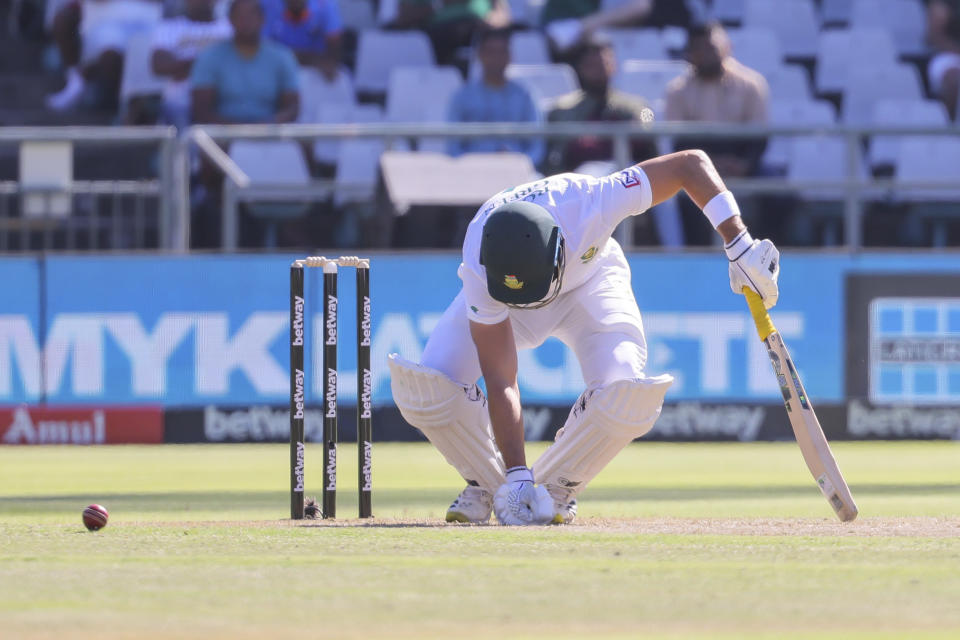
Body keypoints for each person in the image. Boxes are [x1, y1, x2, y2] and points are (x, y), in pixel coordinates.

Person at [388, 149, 780, 525]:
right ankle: (493, 486)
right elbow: (501, 378)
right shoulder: (480, 262)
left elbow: (689, 164)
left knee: (627, 395)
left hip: (591, 288)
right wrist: (517, 474)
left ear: (560, 249)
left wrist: (739, 243)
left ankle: (555, 489)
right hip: (508, 310)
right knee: (426, 390)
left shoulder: (592, 201)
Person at [665, 21, 768, 245]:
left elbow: (760, 137)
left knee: (779, 195)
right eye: (699, 49)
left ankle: (765, 254)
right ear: (690, 53)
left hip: (743, 162)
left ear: (726, 47)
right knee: (677, 199)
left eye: (711, 47)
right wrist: (710, 166)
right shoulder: (677, 90)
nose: (706, 54)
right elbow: (678, 141)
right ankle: (694, 259)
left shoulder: (751, 84)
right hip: (696, 166)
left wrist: (744, 165)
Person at [545, 35, 657, 175]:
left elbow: (648, 125)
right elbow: (556, 156)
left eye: (605, 63)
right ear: (581, 68)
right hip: (580, 178)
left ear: (614, 65)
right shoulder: (562, 109)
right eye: (593, 65)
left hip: (629, 174)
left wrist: (639, 122)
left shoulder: (637, 106)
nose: (600, 70)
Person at [190, 0, 300, 124]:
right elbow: (201, 110)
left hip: (270, 134)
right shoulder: (209, 57)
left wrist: (267, 126)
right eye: (240, 16)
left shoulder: (282, 56)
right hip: (222, 137)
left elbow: (292, 107)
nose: (246, 21)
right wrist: (236, 129)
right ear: (230, 20)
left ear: (262, 19)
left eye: (251, 15)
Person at [446, 28, 545, 166]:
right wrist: (468, 166)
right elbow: (453, 147)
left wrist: (523, 165)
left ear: (510, 56)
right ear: (480, 55)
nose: (496, 58)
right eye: (491, 52)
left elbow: (536, 147)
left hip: (517, 173)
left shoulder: (525, 95)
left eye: (502, 52)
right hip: (473, 172)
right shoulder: (463, 96)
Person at [46, 0, 162, 112]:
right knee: (109, 57)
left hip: (146, 20)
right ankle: (80, 82)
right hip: (105, 20)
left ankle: (85, 80)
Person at [151, 0, 232, 129]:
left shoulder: (229, 28)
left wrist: (185, 66)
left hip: (224, 95)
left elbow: (235, 64)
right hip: (181, 98)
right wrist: (209, 61)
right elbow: (159, 67)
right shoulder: (168, 27)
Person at [262, 0, 343, 81]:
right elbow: (263, 50)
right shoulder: (268, 4)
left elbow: (333, 51)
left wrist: (288, 56)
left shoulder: (325, 4)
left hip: (315, 73)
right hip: (279, 72)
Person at [926, 0, 960, 120]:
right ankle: (947, 126)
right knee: (954, 80)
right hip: (948, 57)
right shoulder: (942, 4)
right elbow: (935, 37)